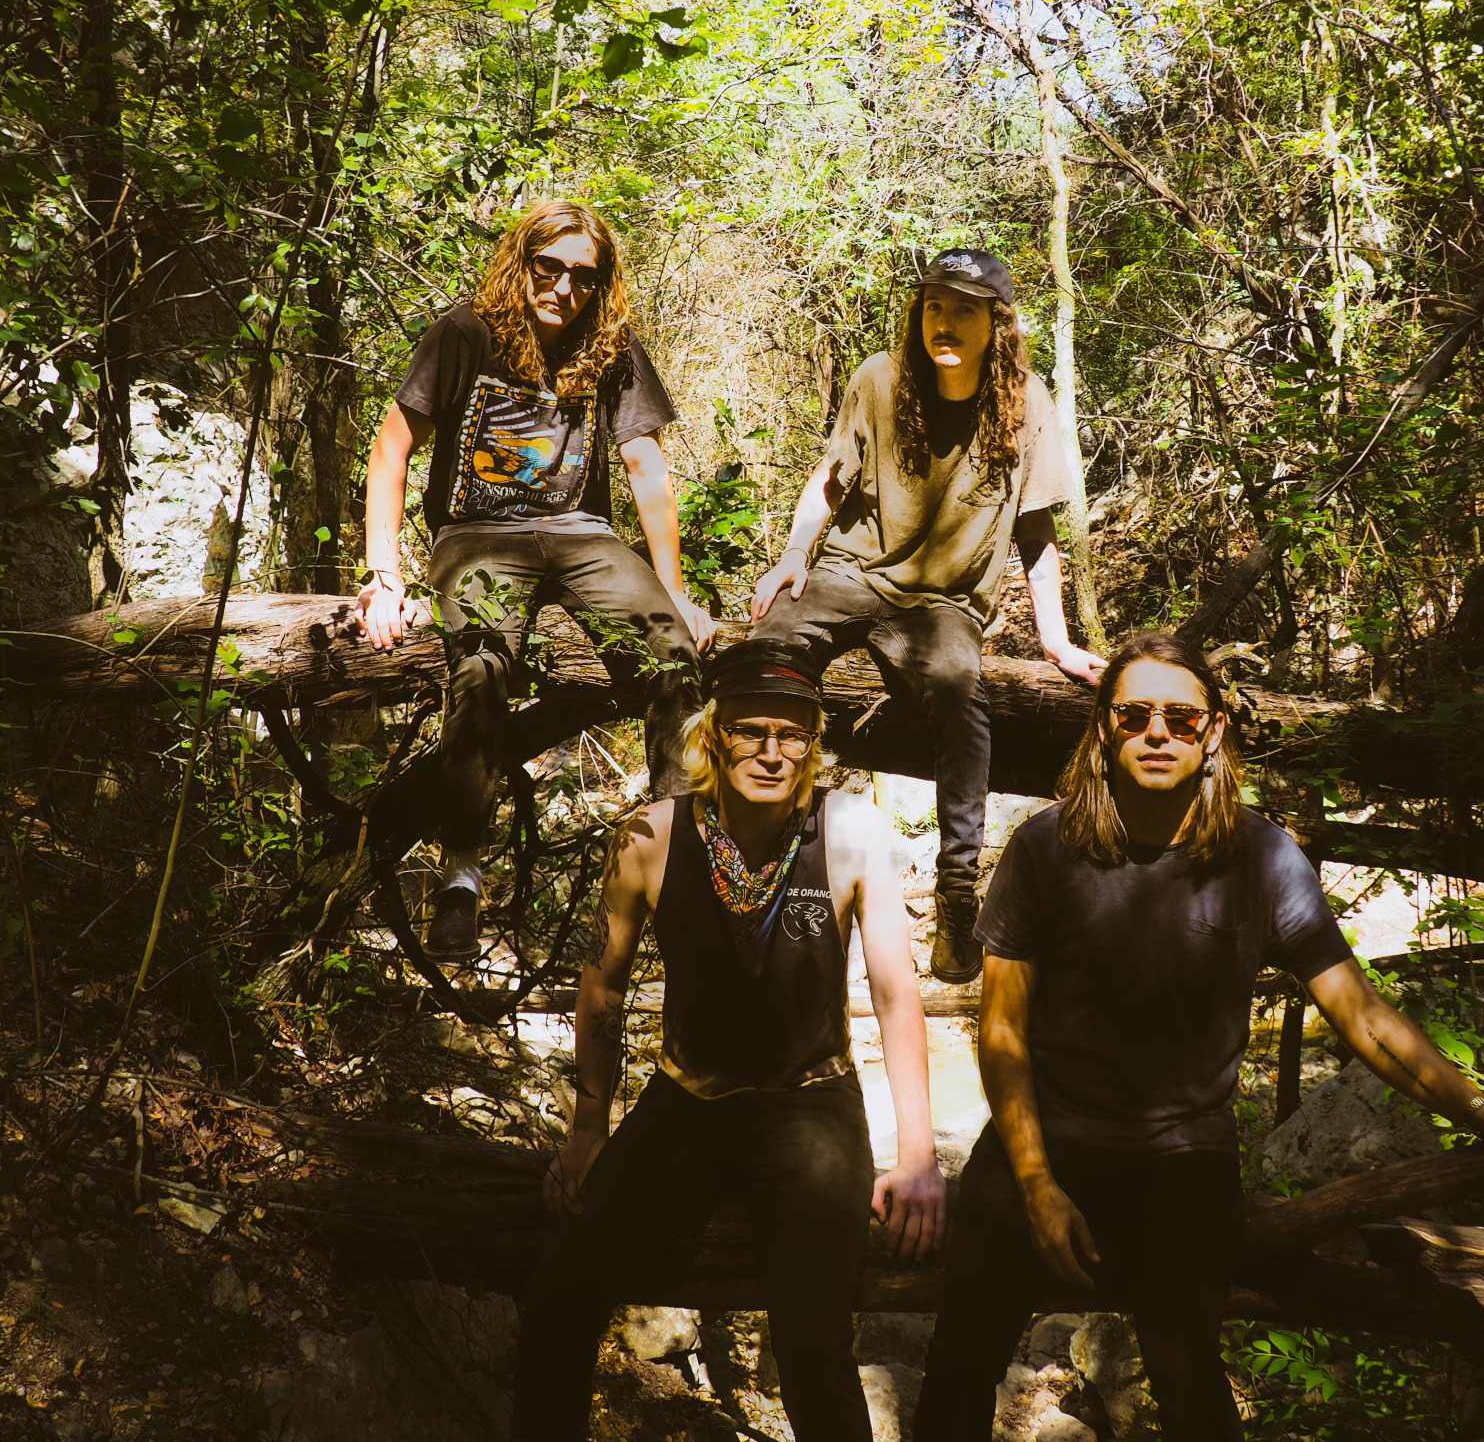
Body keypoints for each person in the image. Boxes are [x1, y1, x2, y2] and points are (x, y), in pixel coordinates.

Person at [913, 633, 1484, 1440]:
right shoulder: (1046, 847)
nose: (1156, 734)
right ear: (1103, 727)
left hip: (1182, 1160)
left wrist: (1483, 1112)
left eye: (1180, 718)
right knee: (957, 1370)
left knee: (1189, 1385)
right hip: (1043, 1142)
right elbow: (1001, 1027)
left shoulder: (1260, 855)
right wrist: (1037, 1184)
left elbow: (1360, 1015)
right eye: (1135, 714)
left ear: (1213, 731)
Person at [512, 637, 946, 1442]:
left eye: (792, 736)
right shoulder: (650, 836)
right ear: (714, 737)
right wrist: (587, 1130)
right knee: (562, 1294)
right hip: (687, 1101)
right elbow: (601, 984)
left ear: (813, 745)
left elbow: (894, 991)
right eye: (751, 731)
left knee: (813, 1342)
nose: (772, 754)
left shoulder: (848, 827)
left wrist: (917, 1155)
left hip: (810, 1104)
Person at [357, 198, 717, 962]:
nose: (562, 288)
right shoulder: (465, 334)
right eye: (547, 268)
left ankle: (682, 855)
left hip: (581, 537)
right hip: (478, 534)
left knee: (668, 653)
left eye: (583, 277)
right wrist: (384, 574)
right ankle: (461, 874)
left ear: (601, 285)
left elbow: (646, 468)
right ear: (521, 263)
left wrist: (674, 591)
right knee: (484, 664)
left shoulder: (611, 347)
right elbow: (391, 451)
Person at [750, 247, 1104, 986]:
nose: (944, 322)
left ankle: (956, 893)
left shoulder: (1028, 404)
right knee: (771, 652)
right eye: (934, 306)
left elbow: (1036, 536)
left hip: (945, 602)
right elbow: (829, 479)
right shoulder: (880, 379)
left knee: (957, 685)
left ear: (995, 324)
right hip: (851, 572)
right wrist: (792, 554)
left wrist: (1058, 641)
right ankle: (764, 855)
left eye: (964, 310)